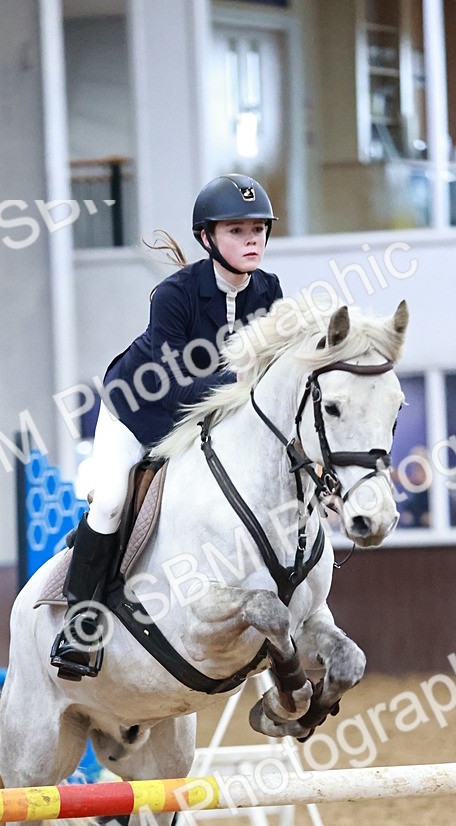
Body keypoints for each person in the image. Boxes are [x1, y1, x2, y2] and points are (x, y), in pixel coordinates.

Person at [51, 174, 282, 680]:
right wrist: (238, 378)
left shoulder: (268, 289)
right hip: (139, 410)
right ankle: (79, 625)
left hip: (206, 420)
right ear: (208, 239)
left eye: (258, 230)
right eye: (236, 230)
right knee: (111, 499)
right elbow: (170, 383)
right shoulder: (173, 294)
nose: (251, 241)